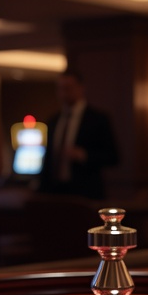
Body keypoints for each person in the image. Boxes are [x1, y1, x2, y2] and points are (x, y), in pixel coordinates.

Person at [38, 70, 119, 199]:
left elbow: (113, 156)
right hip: (55, 191)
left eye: (68, 88)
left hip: (86, 192)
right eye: (61, 88)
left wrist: (83, 155)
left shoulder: (97, 119)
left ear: (81, 88)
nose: (64, 93)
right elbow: (49, 158)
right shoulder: (54, 120)